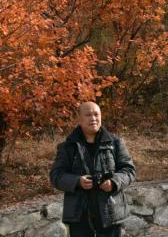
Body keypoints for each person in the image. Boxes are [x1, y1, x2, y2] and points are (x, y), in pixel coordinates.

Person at [50, 101, 136, 237]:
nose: (93, 118)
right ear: (79, 119)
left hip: (110, 213)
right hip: (79, 215)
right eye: (88, 115)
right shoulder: (67, 147)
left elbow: (129, 170)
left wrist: (114, 182)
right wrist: (77, 181)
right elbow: (56, 176)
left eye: (96, 114)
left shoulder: (116, 143)